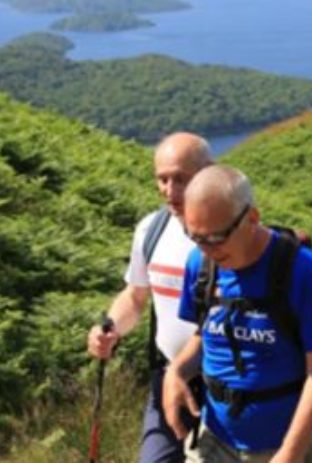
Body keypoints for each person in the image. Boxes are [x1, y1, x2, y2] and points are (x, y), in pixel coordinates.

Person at [162, 166, 312, 463]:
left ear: (252, 219)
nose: (207, 250)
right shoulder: (200, 265)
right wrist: (177, 371)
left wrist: (290, 454)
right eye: (195, 236)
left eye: (217, 237)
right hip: (213, 440)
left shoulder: (302, 270)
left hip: (285, 446)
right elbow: (206, 333)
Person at [87, 133, 215, 463]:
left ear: (208, 173)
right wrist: (111, 327)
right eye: (163, 179)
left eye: (181, 179)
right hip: (167, 379)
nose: (170, 191)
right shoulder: (151, 229)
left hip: (225, 383)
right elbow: (136, 295)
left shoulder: (229, 234)